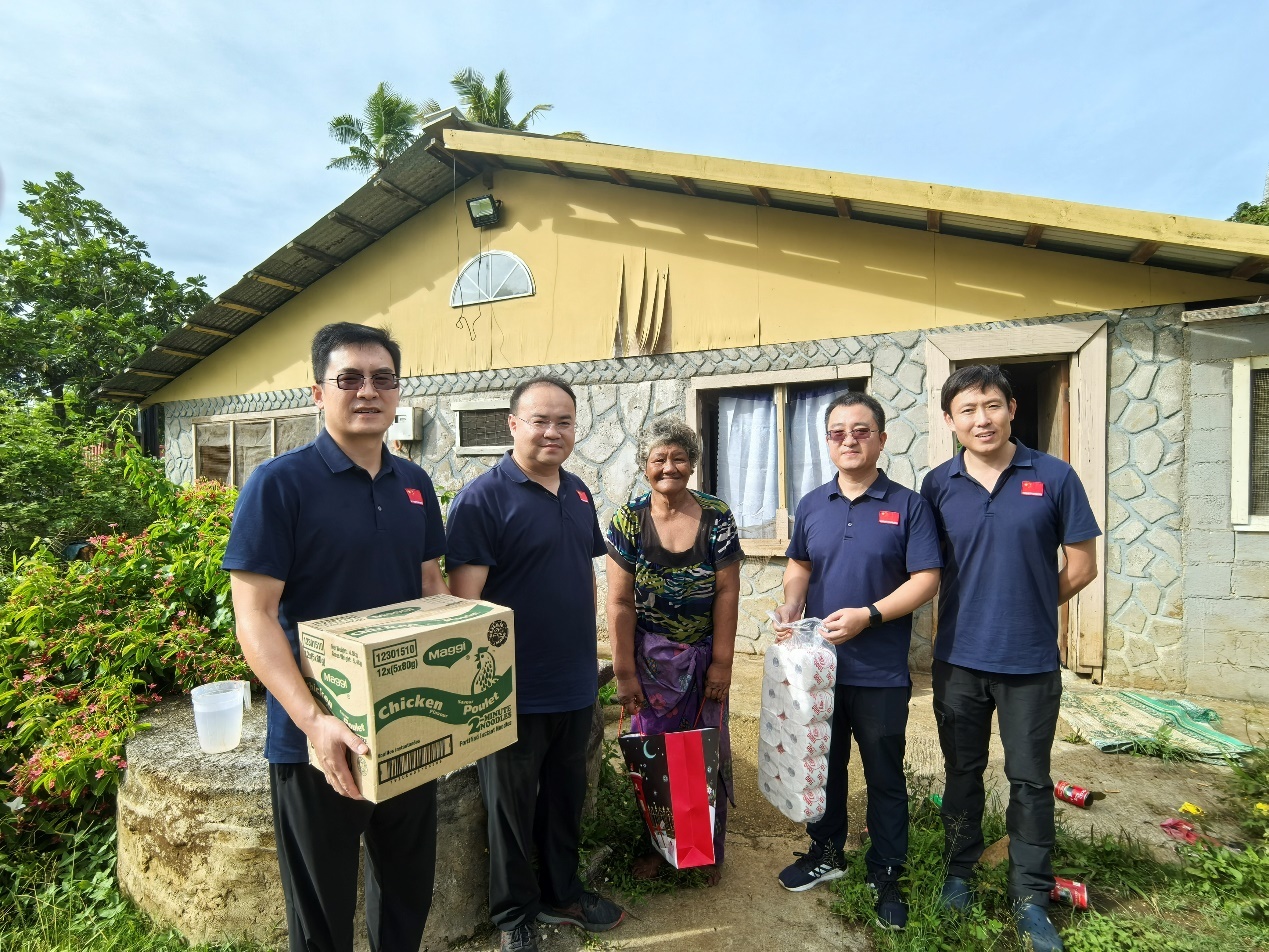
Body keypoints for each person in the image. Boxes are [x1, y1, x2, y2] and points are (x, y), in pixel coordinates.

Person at [223, 322, 449, 952]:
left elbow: (431, 586)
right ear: (319, 393)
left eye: (383, 378)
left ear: (398, 392)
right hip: (317, 739)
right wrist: (312, 721)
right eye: (349, 378)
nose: (367, 391)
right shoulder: (280, 484)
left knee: (408, 891)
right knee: (322, 912)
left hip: (408, 726)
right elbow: (256, 617)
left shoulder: (415, 485)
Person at [920, 364, 1100, 952]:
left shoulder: (1054, 476)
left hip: (1028, 662)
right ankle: (958, 873)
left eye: (991, 406)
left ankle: (1031, 894)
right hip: (958, 661)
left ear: (1012, 409)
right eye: (967, 411)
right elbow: (925, 569)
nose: (981, 419)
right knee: (962, 775)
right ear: (950, 421)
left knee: (1030, 780)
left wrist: (1026, 599)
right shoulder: (936, 484)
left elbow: (1081, 565)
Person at [445, 376, 625, 952]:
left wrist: (591, 657)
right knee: (510, 810)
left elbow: (584, 581)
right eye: (540, 420)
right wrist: (484, 689)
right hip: (511, 691)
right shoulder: (483, 498)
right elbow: (463, 607)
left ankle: (562, 893)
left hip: (574, 682)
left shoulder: (577, 493)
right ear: (513, 425)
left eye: (564, 422)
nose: (553, 432)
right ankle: (513, 916)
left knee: (565, 799)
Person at [772, 391, 941, 931]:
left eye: (861, 430)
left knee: (885, 774)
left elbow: (926, 579)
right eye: (838, 432)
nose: (849, 440)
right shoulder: (813, 503)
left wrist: (870, 614)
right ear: (827, 442)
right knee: (822, 766)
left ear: (881, 438)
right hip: (818, 669)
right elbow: (799, 561)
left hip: (880, 672)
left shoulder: (909, 505)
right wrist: (792, 602)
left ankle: (886, 871)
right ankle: (826, 852)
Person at [606, 418, 742, 887]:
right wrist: (624, 673)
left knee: (706, 754)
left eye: (679, 457)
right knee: (655, 756)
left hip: (704, 658)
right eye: (659, 458)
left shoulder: (715, 515)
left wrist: (721, 664)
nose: (669, 466)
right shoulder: (628, 520)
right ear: (645, 466)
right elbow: (620, 601)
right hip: (650, 664)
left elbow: (727, 592)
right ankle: (662, 849)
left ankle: (705, 851)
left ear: (693, 463)